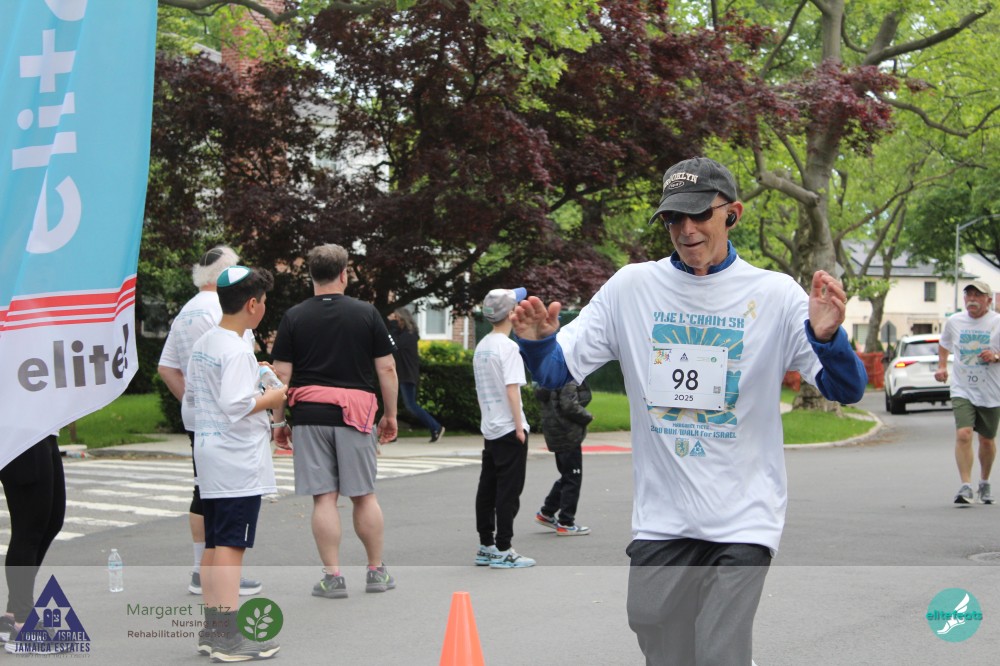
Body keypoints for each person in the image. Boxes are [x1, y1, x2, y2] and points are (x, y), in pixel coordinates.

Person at [511, 157, 867, 664]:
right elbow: (555, 372)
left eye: (700, 214)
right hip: (664, 517)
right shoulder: (632, 288)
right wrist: (537, 345)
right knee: (658, 636)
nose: (686, 229)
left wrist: (829, 339)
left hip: (744, 515)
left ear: (733, 213)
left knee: (718, 651)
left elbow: (846, 388)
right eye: (674, 217)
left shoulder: (775, 295)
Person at [270, 243, 398, 599]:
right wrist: (390, 415)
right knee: (363, 495)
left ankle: (333, 577)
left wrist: (278, 422)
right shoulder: (367, 314)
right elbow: (387, 368)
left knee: (324, 498)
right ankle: (376, 571)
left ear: (311, 275)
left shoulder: (294, 317)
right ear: (344, 274)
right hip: (357, 416)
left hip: (310, 415)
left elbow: (281, 374)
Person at [183, 266, 284, 661]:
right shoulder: (238, 347)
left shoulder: (208, 341)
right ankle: (227, 635)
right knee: (231, 545)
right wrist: (273, 397)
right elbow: (236, 403)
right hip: (236, 459)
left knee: (215, 543)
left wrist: (255, 373)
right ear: (252, 304)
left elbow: (200, 395)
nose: (265, 308)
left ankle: (213, 629)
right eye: (265, 302)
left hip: (210, 452)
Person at [156, 246, 262, 597]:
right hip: (228, 426)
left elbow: (167, 367)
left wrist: (193, 400)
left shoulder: (186, 311)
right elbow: (240, 370)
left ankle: (202, 572)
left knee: (204, 492)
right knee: (227, 510)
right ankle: (221, 582)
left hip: (199, 420)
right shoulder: (223, 312)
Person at [473, 287, 536, 569]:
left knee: (488, 487)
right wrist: (519, 428)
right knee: (509, 491)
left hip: (490, 427)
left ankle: (486, 544)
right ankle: (504, 548)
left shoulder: (482, 346)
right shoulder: (508, 348)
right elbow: (512, 389)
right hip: (510, 429)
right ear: (511, 313)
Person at [934, 280, 1000, 505]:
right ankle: (966, 485)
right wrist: (942, 366)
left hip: (991, 389)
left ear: (988, 300)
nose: (972, 299)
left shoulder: (997, 322)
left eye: (977, 295)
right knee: (964, 433)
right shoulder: (955, 321)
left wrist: (996, 356)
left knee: (987, 440)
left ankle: (984, 481)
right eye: (968, 295)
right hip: (962, 388)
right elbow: (944, 344)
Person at [0, 435, 64, 653]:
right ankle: (23, 622)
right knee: (28, 530)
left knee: (52, 521)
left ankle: (12, 616)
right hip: (21, 436)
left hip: (44, 433)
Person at [534, 380, 593, 536]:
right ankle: (566, 523)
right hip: (568, 433)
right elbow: (569, 405)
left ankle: (547, 512)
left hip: (555, 432)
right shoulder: (566, 376)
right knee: (573, 478)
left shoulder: (547, 376)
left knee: (567, 476)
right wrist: (587, 416)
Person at [387, 307, 445, 442]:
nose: (394, 321)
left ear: (402, 319)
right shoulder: (403, 334)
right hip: (400, 374)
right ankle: (392, 434)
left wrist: (393, 326)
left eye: (396, 318)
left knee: (411, 405)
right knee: (392, 405)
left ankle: (436, 427)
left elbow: (394, 345)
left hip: (407, 375)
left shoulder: (409, 335)